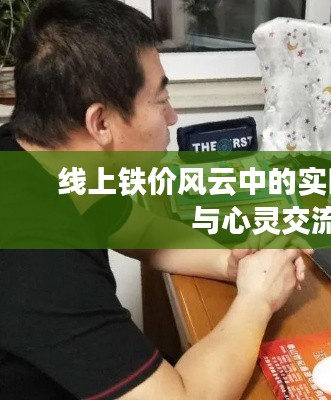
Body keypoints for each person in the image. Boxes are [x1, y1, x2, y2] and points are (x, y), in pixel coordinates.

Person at [0, 0, 310, 399]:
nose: (172, 117)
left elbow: (136, 228)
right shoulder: (35, 253)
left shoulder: (36, 157)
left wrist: (230, 263)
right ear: (101, 123)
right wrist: (257, 299)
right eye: (160, 101)